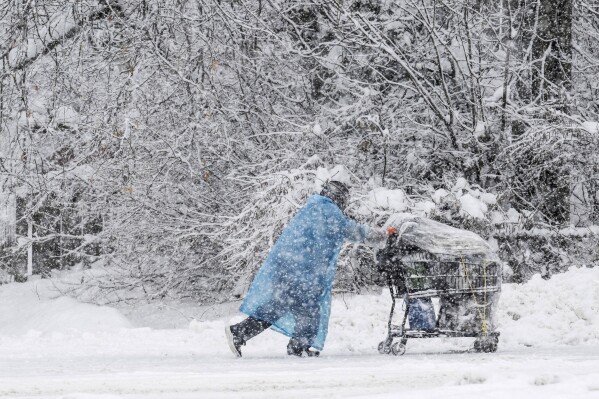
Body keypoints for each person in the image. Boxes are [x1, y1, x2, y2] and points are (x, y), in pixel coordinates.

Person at [225, 179, 397, 357]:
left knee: (279, 307)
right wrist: (383, 235)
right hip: (301, 273)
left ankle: (244, 333)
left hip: (290, 269)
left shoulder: (313, 207)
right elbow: (355, 231)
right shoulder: (328, 212)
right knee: (308, 310)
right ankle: (294, 346)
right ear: (338, 197)